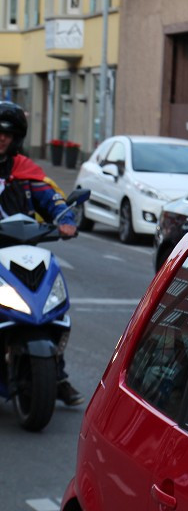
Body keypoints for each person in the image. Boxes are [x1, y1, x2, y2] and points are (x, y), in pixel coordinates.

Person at [0, 102, 82, 405]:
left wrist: (66, 221)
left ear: (16, 137)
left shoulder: (26, 171)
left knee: (47, 306)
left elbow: (54, 199)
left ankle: (55, 375)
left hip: (22, 251)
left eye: (6, 133)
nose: (1, 138)